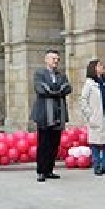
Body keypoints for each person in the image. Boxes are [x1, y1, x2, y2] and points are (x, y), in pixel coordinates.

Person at [30, 49, 72, 182]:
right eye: (53, 58)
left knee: (54, 144)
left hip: (58, 114)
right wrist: (57, 90)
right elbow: (41, 89)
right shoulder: (39, 73)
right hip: (44, 114)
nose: (55, 61)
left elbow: (68, 88)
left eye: (57, 59)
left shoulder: (61, 75)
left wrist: (54, 90)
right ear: (46, 59)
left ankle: (49, 169)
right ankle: (41, 171)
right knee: (44, 143)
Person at [80, 59, 105, 176]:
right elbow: (83, 100)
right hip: (96, 116)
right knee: (95, 143)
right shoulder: (89, 83)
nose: (102, 67)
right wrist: (89, 114)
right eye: (99, 65)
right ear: (94, 68)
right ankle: (97, 165)